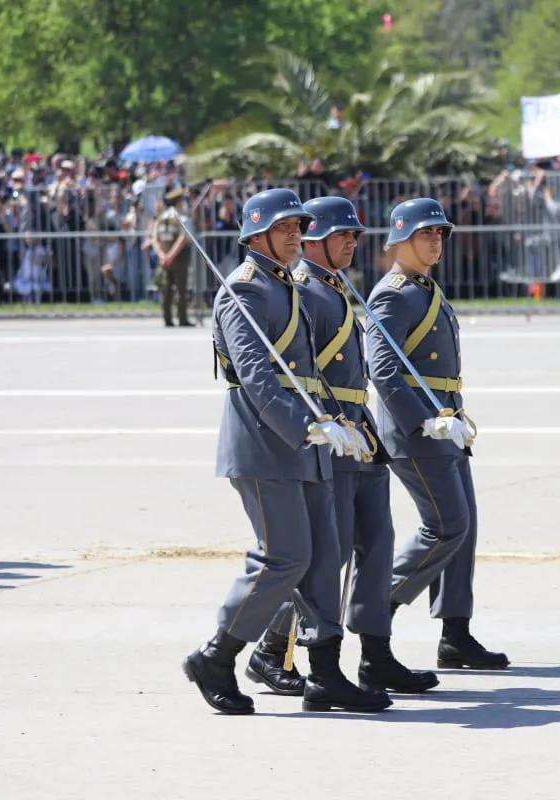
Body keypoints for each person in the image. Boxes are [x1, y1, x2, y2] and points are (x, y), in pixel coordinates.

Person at [181, 188, 390, 715]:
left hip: (309, 440)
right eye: (286, 227)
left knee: (324, 558)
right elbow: (256, 376)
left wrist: (333, 423)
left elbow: (310, 370)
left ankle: (325, 674)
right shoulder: (244, 292)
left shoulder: (286, 284)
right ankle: (217, 653)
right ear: (256, 235)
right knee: (283, 555)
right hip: (264, 443)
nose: (297, 234)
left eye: (299, 226)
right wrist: (305, 428)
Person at [245, 196, 439, 697]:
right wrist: (324, 427)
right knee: (322, 559)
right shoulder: (305, 290)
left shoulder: (335, 286)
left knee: (376, 549)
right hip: (330, 435)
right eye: (341, 236)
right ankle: (273, 650)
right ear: (312, 243)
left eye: (354, 236)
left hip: (360, 430)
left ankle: (377, 654)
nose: (352, 243)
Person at [365, 198, 509, 670]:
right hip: (416, 431)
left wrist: (449, 417)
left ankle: (456, 634)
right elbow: (384, 369)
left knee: (463, 530)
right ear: (401, 239)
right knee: (446, 525)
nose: (437, 240)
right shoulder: (392, 293)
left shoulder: (425, 288)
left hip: (445, 423)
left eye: (441, 233)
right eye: (427, 233)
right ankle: (374, 604)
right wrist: (421, 419)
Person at [151, 188, 192, 327]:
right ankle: (182, 319)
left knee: (166, 289)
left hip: (164, 259)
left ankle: (167, 319)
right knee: (180, 289)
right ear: (179, 202)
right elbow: (182, 239)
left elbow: (154, 239)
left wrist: (163, 256)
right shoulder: (182, 217)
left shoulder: (161, 218)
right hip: (178, 258)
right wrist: (170, 256)